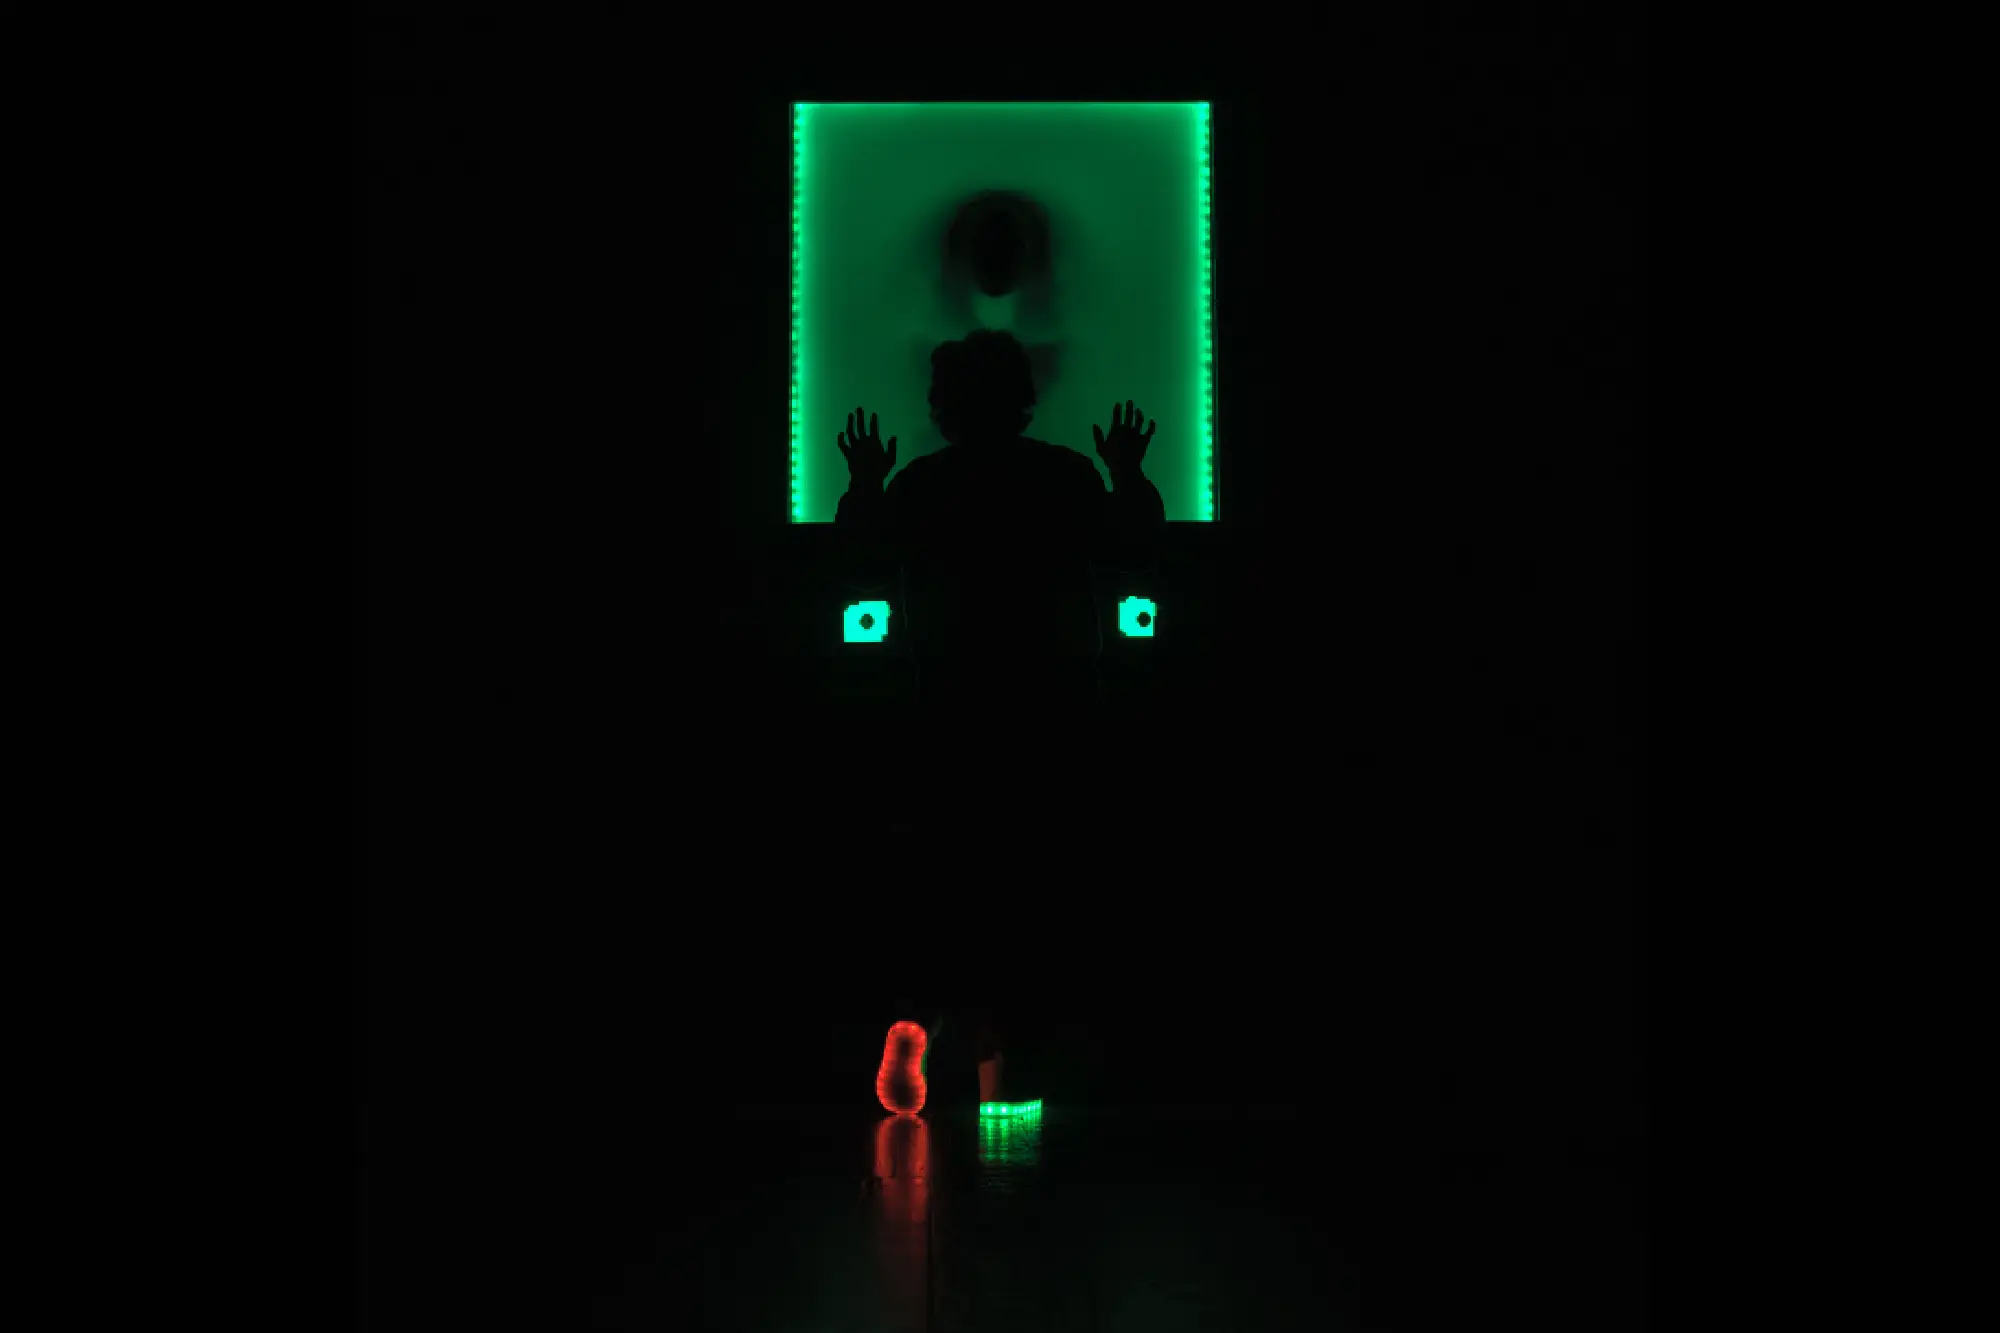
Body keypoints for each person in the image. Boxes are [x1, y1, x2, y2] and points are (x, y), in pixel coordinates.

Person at [834, 331, 1166, 837]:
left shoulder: (920, 485)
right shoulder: (1067, 475)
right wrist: (1127, 474)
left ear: (944, 404)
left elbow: (861, 565)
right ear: (1022, 397)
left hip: (952, 710)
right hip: (1060, 708)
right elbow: (1135, 552)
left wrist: (864, 486)